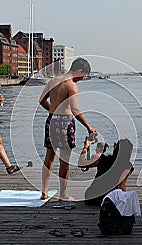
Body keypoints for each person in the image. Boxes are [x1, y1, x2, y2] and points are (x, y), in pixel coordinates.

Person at [39, 57, 96, 201]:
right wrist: (89, 127)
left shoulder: (52, 81)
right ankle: (62, 194)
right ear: (79, 71)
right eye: (83, 75)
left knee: (49, 158)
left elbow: (41, 100)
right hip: (65, 123)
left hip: (51, 121)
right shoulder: (71, 86)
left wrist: (53, 111)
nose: (82, 79)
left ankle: (44, 192)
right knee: (64, 160)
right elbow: (75, 109)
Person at [78, 138, 134, 206]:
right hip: (109, 199)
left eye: (115, 145)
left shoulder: (102, 158)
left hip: (92, 197)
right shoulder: (128, 166)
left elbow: (81, 163)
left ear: (116, 148)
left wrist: (85, 147)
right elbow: (121, 185)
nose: (114, 146)